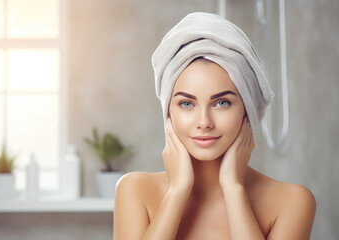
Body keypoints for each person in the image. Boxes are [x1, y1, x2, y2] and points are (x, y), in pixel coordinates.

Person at [113, 12, 316, 240]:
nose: (204, 122)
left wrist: (233, 188)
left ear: (246, 108)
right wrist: (177, 191)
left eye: (222, 103)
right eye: (187, 103)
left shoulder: (292, 201)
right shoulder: (135, 190)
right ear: (168, 111)